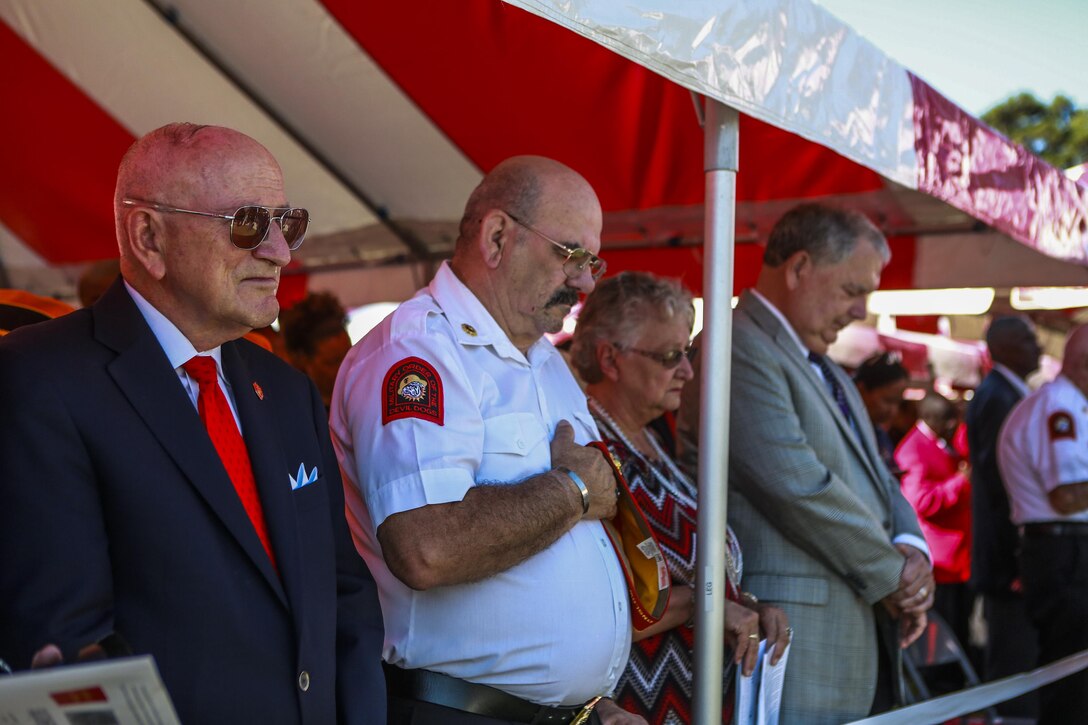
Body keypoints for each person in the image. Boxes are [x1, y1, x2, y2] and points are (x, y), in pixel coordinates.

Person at [0, 123, 385, 724]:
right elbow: (65, 647)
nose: (281, 252)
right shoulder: (41, 377)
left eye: (289, 224)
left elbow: (344, 596)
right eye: (249, 225)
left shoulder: (283, 390)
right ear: (148, 236)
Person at [332, 155, 644, 724]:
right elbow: (425, 548)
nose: (585, 280)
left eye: (593, 261)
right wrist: (573, 490)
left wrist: (592, 703)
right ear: (498, 237)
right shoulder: (417, 353)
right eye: (570, 254)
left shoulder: (546, 357)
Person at [678, 203, 934, 724]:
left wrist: (913, 548)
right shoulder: (735, 346)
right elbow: (795, 484)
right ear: (798, 270)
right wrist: (896, 578)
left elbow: (881, 478)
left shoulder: (825, 366)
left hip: (843, 641)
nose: (861, 310)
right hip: (792, 642)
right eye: (852, 290)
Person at [570, 271, 790, 725]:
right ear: (611, 359)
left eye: (687, 352)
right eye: (672, 355)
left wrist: (746, 607)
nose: (688, 370)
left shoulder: (650, 442)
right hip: (633, 704)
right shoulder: (587, 450)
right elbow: (594, 603)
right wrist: (705, 605)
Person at [997, 324, 1088, 725]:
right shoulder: (1060, 407)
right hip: (1064, 553)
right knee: (1072, 677)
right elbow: (1066, 498)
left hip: (1065, 550)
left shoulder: (1068, 404)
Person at [965, 315, 1040, 716]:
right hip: (1005, 559)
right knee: (1013, 663)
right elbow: (1001, 485)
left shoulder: (1005, 393)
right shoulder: (998, 397)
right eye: (1029, 339)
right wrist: (1017, 556)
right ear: (1007, 346)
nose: (1039, 347)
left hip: (1005, 556)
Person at [894, 393, 973, 652]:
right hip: (939, 561)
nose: (954, 428)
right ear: (930, 419)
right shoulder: (914, 450)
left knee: (960, 628)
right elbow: (919, 501)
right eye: (949, 422)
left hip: (957, 557)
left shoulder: (938, 442)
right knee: (942, 637)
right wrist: (959, 483)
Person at [280, 291, 353, 411]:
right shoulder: (292, 410)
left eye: (350, 357)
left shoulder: (360, 399)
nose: (346, 368)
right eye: (333, 362)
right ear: (302, 360)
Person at [854, 351, 910, 476]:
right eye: (888, 401)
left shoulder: (880, 435)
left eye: (898, 403)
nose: (893, 411)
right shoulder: (844, 429)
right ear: (861, 390)